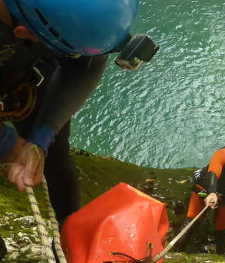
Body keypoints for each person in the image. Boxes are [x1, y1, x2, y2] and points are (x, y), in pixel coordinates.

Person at [0, 0, 158, 228]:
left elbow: (87, 62)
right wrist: (9, 145)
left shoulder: (74, 16)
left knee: (54, 158)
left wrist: (43, 137)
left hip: (29, 71)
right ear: (25, 33)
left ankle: (69, 229)